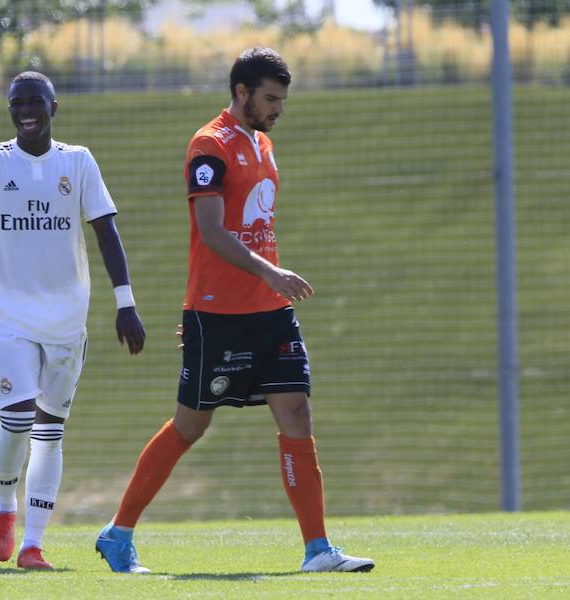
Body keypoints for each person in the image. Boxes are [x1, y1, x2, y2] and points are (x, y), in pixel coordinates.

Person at [95, 48, 374, 574]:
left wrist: (270, 281)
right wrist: (271, 272)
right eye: (270, 98)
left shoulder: (264, 145)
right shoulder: (210, 144)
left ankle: (317, 549)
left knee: (297, 413)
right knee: (189, 427)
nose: (278, 109)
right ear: (241, 92)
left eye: (283, 100)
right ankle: (118, 532)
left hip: (271, 311)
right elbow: (212, 232)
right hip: (219, 314)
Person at [0, 71, 146, 571]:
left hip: (66, 318)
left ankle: (33, 545)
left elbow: (106, 231)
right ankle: (4, 504)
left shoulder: (77, 162)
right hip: (9, 313)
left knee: (50, 431)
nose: (26, 111)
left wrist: (125, 303)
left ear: (53, 108)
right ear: (10, 111)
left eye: (35, 102)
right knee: (18, 418)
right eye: (17, 104)